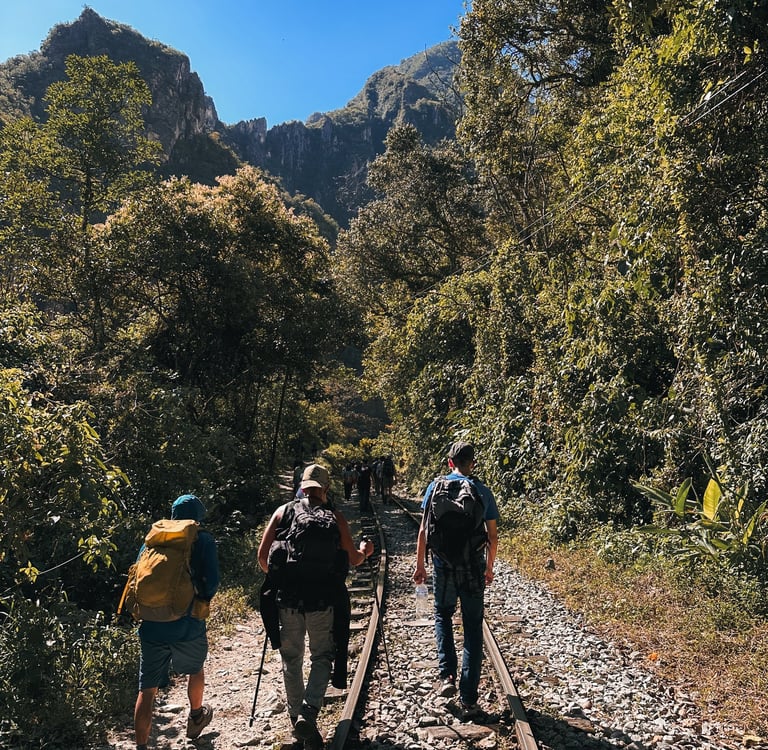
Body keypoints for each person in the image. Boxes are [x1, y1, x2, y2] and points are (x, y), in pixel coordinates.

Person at [258, 464, 374, 750]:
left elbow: (263, 558)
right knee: (322, 656)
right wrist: (365, 550)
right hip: (322, 601)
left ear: (302, 485)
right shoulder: (335, 517)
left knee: (291, 660)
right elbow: (353, 560)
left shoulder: (282, 512)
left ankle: (296, 716)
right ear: (325, 488)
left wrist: (283, 579)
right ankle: (309, 713)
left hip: (288, 601)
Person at [412, 441, 499, 722]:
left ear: (450, 463)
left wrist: (420, 567)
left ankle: (447, 675)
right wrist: (489, 568)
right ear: (472, 463)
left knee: (442, 616)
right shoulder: (482, 491)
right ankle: (469, 696)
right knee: (473, 627)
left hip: (442, 565)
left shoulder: (435, 487)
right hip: (472, 566)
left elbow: (424, 530)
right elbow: (493, 536)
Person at [133, 494, 220, 750]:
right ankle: (196, 718)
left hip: (150, 626)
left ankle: (140, 746)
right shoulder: (201, 539)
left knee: (147, 689)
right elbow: (212, 582)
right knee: (195, 669)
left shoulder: (153, 540)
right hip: (187, 624)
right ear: (199, 516)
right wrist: (200, 599)